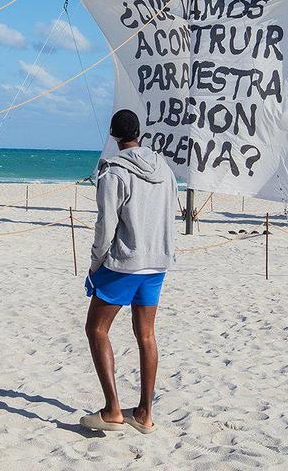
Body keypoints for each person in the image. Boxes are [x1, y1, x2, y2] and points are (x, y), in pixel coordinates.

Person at [80, 109, 177, 435]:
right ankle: (145, 414)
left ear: (113, 134)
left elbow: (105, 225)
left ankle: (113, 410)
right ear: (140, 132)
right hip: (156, 261)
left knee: (96, 328)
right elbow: (170, 212)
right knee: (146, 334)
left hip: (125, 262)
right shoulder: (164, 168)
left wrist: (95, 264)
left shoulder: (113, 171)